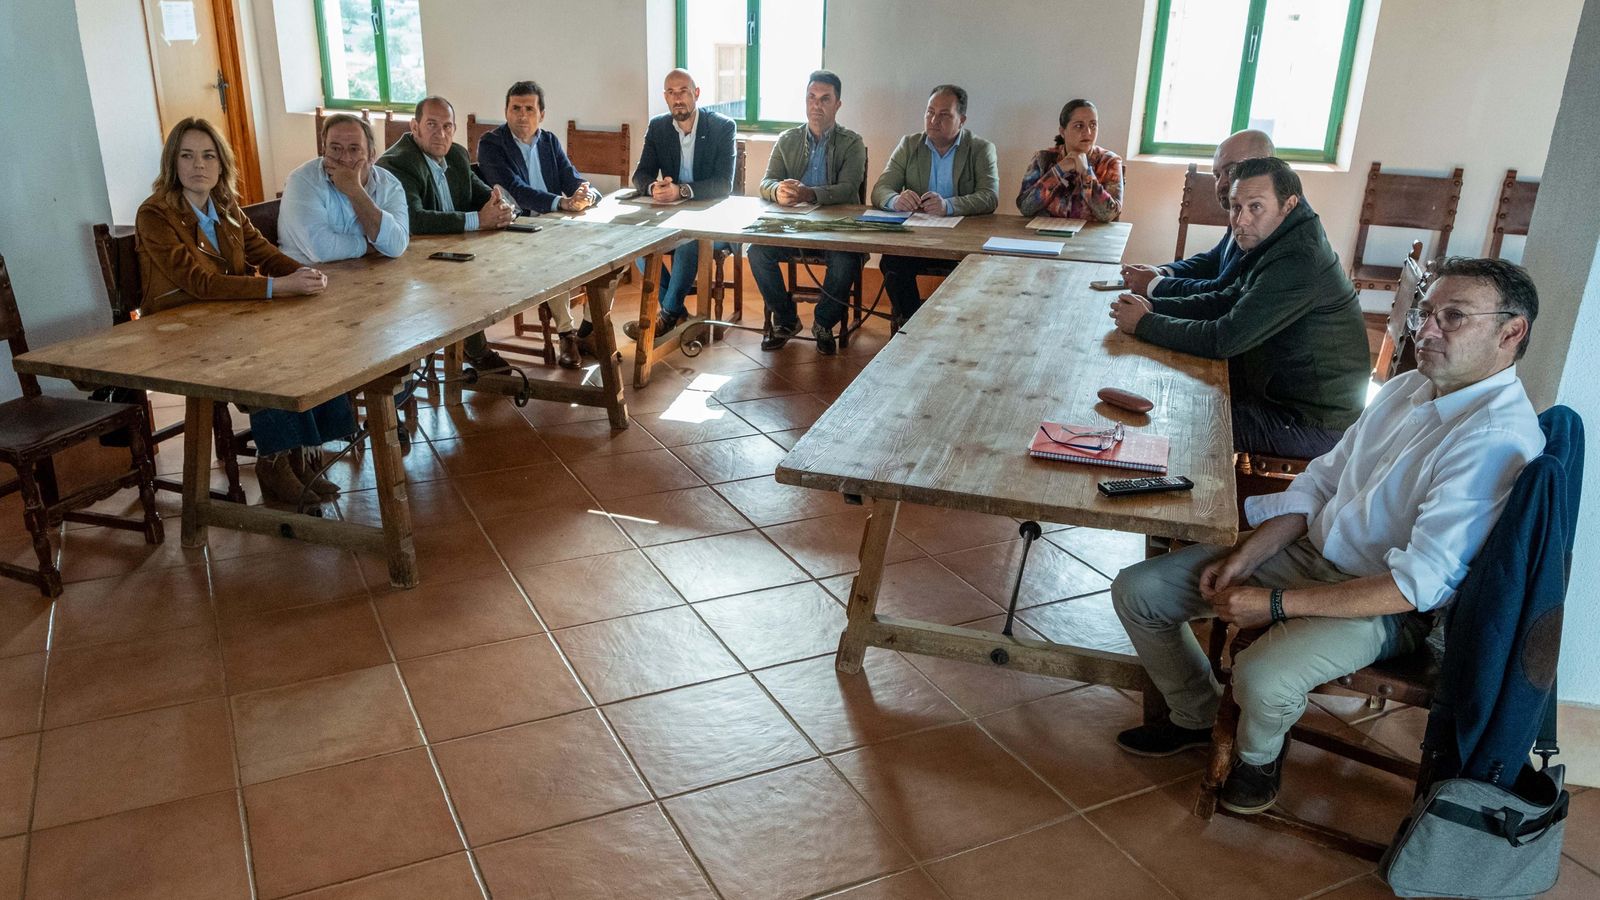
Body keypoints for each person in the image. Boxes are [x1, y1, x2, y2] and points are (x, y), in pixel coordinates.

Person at [1111, 257, 1543, 816]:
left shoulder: (1495, 438)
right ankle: (1197, 714)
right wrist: (1248, 557)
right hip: (1312, 554)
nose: (1428, 331)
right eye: (1426, 313)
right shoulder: (1409, 387)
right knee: (1138, 591)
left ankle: (1257, 760)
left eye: (1453, 317)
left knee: (1263, 675)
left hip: (1383, 604)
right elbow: (1321, 481)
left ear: (1511, 332)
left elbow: (1417, 586)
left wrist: (1272, 604)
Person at [135, 117, 355, 507]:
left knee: (310, 339)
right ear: (172, 164)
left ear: (221, 164)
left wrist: (305, 274)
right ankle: (273, 465)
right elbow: (199, 283)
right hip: (180, 331)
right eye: (187, 156)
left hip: (229, 318)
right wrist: (277, 287)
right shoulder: (155, 215)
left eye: (208, 155)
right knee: (268, 357)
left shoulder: (224, 204)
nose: (198, 165)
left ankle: (301, 456)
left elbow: (261, 252)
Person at [1108, 157, 1368, 458]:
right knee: (1177, 391)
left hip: (1312, 423)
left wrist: (1144, 324)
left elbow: (1224, 339)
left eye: (1255, 206)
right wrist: (1154, 307)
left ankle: (1187, 502)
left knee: (1182, 419)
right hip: (1277, 396)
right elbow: (1226, 299)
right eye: (1236, 207)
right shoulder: (1281, 237)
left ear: (1289, 204)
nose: (1241, 220)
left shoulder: (1298, 259)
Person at [377, 95, 516, 375]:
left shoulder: (456, 154)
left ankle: (471, 346)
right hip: (412, 261)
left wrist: (502, 206)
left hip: (454, 252)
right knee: (466, 281)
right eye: (431, 125)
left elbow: (483, 194)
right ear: (414, 127)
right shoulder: (399, 162)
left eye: (447, 126)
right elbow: (415, 220)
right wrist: (479, 219)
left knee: (507, 270)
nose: (440, 134)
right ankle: (474, 350)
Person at [476, 80, 602, 368]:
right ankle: (567, 334)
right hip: (517, 227)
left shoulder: (549, 141)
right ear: (506, 111)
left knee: (613, 252)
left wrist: (587, 193)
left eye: (529, 109)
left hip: (557, 221)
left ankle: (590, 331)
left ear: (541, 114)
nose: (522, 115)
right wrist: (561, 203)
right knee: (554, 256)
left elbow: (572, 178)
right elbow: (514, 189)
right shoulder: (492, 144)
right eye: (515, 108)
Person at [748, 70, 867, 356]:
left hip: (835, 228)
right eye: (811, 98)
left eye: (825, 99)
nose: (817, 105)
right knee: (756, 252)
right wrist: (778, 190)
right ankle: (787, 320)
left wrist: (809, 194)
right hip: (793, 226)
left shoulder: (852, 143)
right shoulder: (787, 139)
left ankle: (824, 323)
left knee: (846, 260)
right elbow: (765, 182)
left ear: (838, 104)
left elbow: (849, 188)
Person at [622, 68, 737, 345]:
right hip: (671, 217)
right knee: (638, 244)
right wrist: (654, 188)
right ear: (665, 97)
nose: (678, 99)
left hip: (714, 220)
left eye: (683, 91)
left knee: (689, 243)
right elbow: (640, 175)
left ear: (696, 93)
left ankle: (667, 315)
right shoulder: (658, 127)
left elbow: (724, 184)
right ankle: (679, 316)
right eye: (671, 93)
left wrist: (682, 190)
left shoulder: (722, 126)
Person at [870, 84, 999, 328]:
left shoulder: (981, 149)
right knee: (891, 263)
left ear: (961, 120)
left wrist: (948, 205)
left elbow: (989, 197)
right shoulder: (909, 145)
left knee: (978, 269)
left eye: (944, 115)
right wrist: (895, 200)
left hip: (961, 241)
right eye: (929, 112)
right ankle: (912, 323)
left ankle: (952, 327)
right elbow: (880, 189)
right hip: (917, 239)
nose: (933, 120)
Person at [1120, 129, 1275, 298]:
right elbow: (1214, 259)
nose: (1221, 183)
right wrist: (1163, 272)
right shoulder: (1239, 211)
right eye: (1216, 175)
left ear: (1264, 166)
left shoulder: (1260, 223)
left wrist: (1155, 285)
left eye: (1231, 171)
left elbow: (1221, 290)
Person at [277, 112, 410, 265]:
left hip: (366, 277)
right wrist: (372, 246)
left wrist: (356, 192)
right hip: (305, 279)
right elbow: (322, 250)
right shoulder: (302, 181)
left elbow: (396, 246)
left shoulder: (389, 184)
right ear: (323, 151)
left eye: (354, 149)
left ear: (372, 155)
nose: (345, 159)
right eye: (335, 148)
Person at [1016, 98, 1122, 223]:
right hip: (1045, 236)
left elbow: (1109, 215)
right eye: (1079, 126)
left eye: (1093, 125)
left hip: (1090, 238)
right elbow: (1025, 208)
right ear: (1062, 131)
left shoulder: (1109, 162)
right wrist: (1057, 171)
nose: (1088, 132)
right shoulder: (1043, 158)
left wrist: (1086, 173)